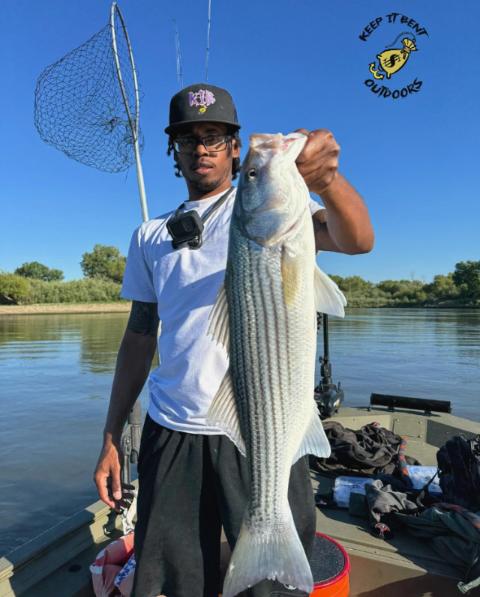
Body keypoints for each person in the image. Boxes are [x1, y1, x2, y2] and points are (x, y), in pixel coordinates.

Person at [94, 83, 374, 597]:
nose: (201, 148)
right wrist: (112, 435)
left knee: (270, 586)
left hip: (266, 424)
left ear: (234, 148)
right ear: (174, 151)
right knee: (174, 580)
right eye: (188, 139)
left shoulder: (270, 209)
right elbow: (138, 337)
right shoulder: (149, 235)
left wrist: (328, 182)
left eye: (215, 137)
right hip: (172, 426)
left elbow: (357, 240)